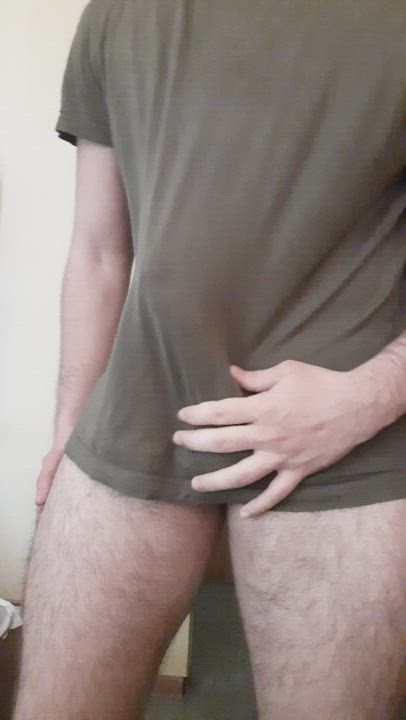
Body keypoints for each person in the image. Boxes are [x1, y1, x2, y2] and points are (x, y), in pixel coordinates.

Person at [13, 0, 406, 718]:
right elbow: (99, 252)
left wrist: (369, 398)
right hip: (140, 405)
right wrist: (69, 427)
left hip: (345, 435)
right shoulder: (116, 15)